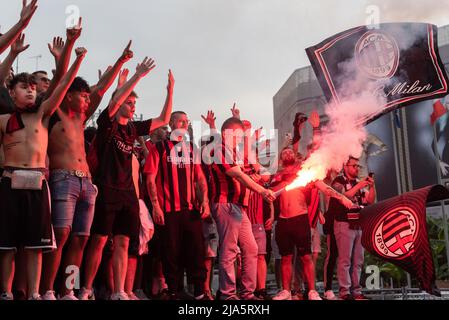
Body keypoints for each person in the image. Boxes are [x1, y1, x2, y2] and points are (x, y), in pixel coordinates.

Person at [40, 41, 134, 300]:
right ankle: (48, 290)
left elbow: (103, 89)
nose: (86, 99)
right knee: (60, 236)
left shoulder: (82, 118)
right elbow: (60, 80)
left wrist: (120, 61)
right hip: (63, 179)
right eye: (81, 95)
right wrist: (68, 54)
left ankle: (68, 289)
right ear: (68, 95)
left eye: (86, 96)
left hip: (86, 184)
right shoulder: (55, 112)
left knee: (81, 239)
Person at [78, 60, 174, 300]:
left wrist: (170, 90)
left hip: (128, 194)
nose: (132, 107)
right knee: (99, 241)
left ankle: (119, 291)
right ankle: (87, 288)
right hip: (106, 190)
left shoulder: (133, 128)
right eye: (129, 103)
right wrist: (136, 77)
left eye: (134, 104)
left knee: (123, 242)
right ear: (119, 103)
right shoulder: (107, 124)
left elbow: (163, 119)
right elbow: (114, 102)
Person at [0, 46, 87, 300]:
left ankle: (36, 293)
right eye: (24, 86)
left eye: (33, 87)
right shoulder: (4, 120)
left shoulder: (43, 115)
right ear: (11, 92)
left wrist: (75, 57)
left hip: (38, 185)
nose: (30, 90)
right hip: (9, 182)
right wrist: (13, 54)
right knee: (6, 246)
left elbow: (63, 83)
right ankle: (5, 292)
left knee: (35, 247)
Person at [270, 147, 353, 301]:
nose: (288, 153)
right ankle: (286, 291)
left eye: (290, 151)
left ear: (296, 156)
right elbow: (269, 192)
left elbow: (325, 188)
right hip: (283, 220)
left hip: (300, 219)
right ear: (281, 158)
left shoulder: (305, 173)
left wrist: (342, 198)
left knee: (306, 257)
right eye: (284, 152)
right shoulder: (278, 176)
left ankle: (312, 291)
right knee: (286, 257)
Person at [209, 117, 275, 300]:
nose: (239, 139)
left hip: (239, 207)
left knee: (252, 248)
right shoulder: (218, 149)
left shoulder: (233, 154)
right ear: (225, 134)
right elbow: (236, 174)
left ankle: (247, 293)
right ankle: (228, 294)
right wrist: (261, 190)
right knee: (229, 250)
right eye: (237, 135)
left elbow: (247, 176)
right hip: (226, 204)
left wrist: (259, 183)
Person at [145, 111, 209, 300]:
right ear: (172, 123)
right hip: (168, 211)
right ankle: (173, 291)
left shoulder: (191, 149)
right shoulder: (159, 148)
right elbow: (150, 179)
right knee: (170, 252)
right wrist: (156, 206)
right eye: (180, 120)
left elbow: (200, 179)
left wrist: (204, 200)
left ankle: (199, 292)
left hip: (190, 209)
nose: (184, 123)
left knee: (196, 251)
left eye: (186, 121)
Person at [329, 156, 376, 300]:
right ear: (345, 167)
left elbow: (370, 200)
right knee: (345, 260)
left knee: (358, 260)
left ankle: (356, 291)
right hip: (344, 224)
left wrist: (372, 186)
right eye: (354, 166)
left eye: (358, 166)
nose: (357, 168)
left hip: (358, 224)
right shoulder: (338, 181)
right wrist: (360, 186)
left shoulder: (358, 183)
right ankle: (345, 292)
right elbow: (342, 196)